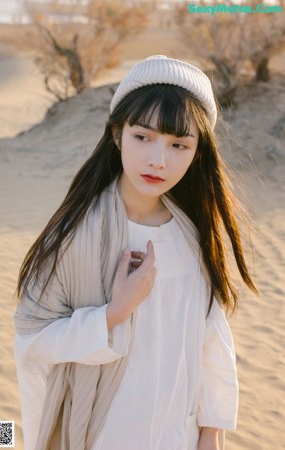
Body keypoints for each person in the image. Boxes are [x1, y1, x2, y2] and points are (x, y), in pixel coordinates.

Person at [13, 55, 258, 450]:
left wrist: (211, 430)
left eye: (179, 144)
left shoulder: (191, 235)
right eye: (142, 137)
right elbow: (32, 338)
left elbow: (211, 338)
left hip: (178, 436)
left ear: (198, 153)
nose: (158, 160)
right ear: (117, 135)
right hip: (102, 437)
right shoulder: (74, 235)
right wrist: (113, 314)